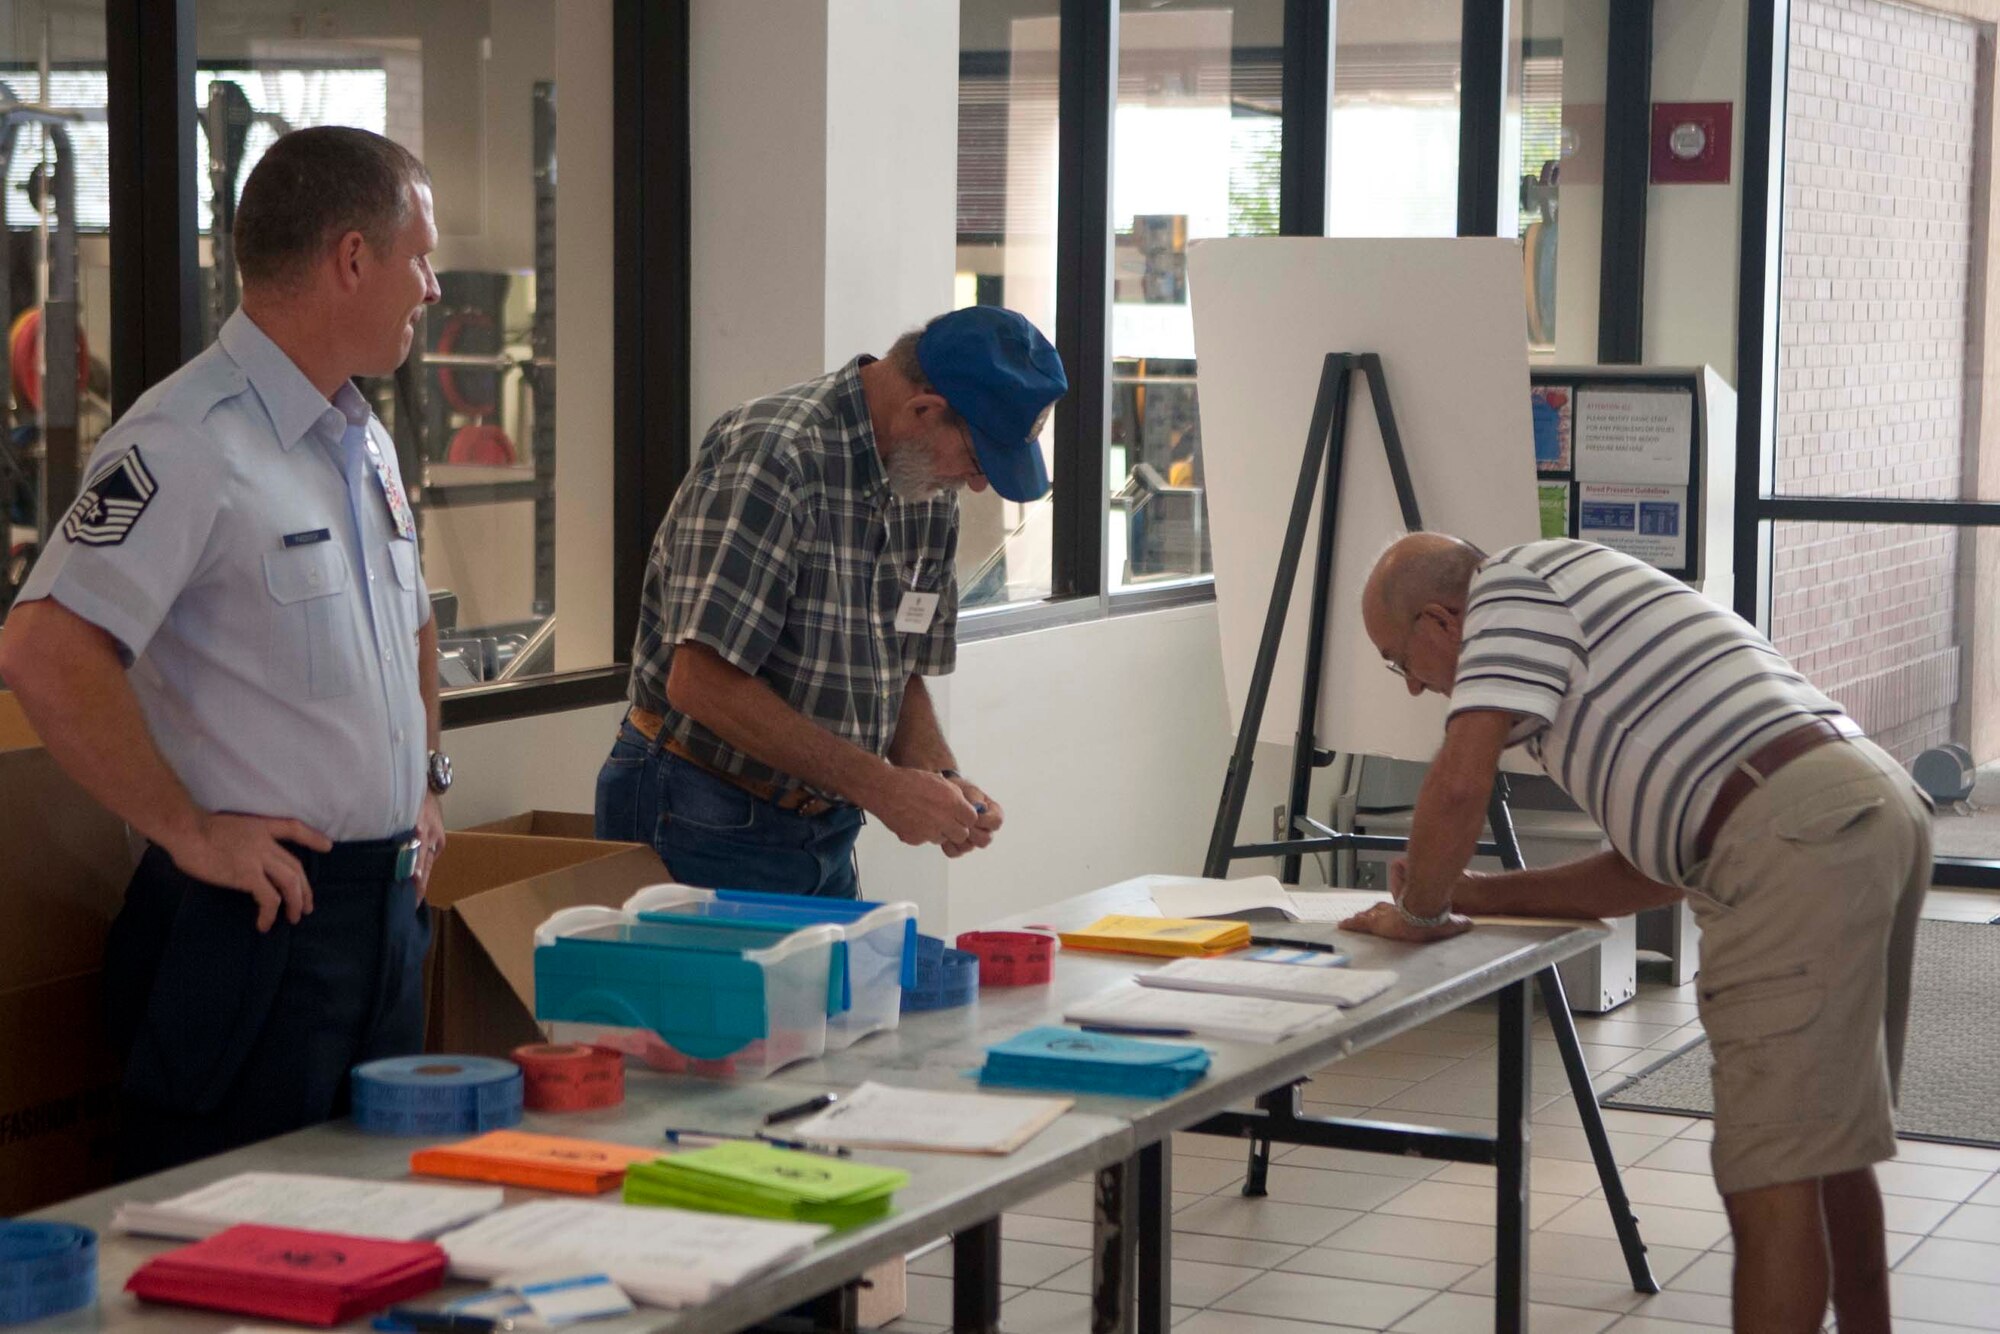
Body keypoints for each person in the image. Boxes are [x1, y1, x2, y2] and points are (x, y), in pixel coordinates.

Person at [0, 127, 449, 1177]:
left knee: (381, 1221)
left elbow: (414, 620)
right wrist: (189, 829)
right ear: (351, 259)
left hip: (382, 921)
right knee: (236, 1236)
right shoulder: (184, 440)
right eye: (419, 259)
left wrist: (427, 781)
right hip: (254, 928)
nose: (431, 288)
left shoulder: (362, 439)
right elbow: (42, 647)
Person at [1342, 533, 1929, 1334]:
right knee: (1829, 1148)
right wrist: (1476, 895)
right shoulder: (1571, 607)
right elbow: (1653, 870)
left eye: (1398, 660)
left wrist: (1416, 915)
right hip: (1858, 805)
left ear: (1441, 621)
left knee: (1771, 1175)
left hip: (1796, 832)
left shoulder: (1508, 589)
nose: (1414, 685)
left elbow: (1457, 784)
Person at [598, 306, 1065, 898]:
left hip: (824, 825)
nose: (976, 484)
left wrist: (941, 780)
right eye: (977, 461)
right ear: (924, 411)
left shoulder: (923, 483)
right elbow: (701, 683)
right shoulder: (774, 457)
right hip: (700, 808)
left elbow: (898, 669)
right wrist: (881, 787)